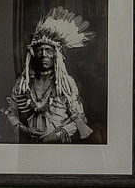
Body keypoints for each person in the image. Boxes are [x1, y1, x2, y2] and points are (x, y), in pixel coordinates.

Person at [8, 10, 94, 142]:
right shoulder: (22, 84)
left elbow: (79, 119)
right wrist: (25, 130)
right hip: (29, 147)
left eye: (48, 50)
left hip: (59, 148)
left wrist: (56, 135)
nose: (44, 55)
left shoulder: (65, 84)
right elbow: (12, 113)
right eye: (39, 50)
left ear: (56, 56)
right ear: (33, 54)